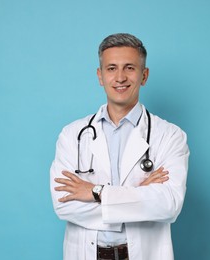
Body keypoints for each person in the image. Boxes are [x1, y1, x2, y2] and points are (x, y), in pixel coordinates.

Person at [50, 33, 189, 260]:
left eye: (130, 68)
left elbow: (168, 204)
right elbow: (64, 205)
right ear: (100, 76)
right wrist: (141, 196)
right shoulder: (72, 134)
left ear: (144, 76)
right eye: (111, 68)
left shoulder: (170, 135)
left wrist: (95, 192)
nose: (120, 77)